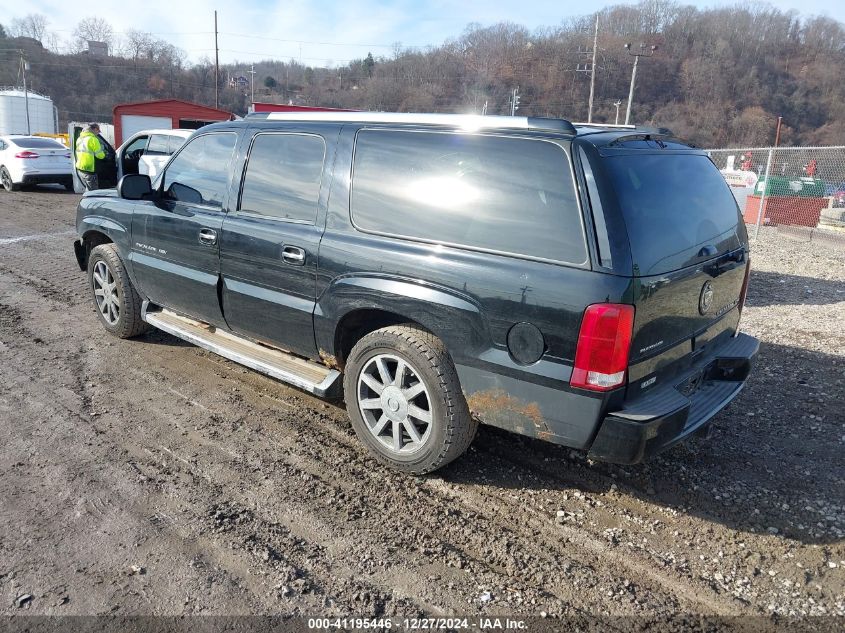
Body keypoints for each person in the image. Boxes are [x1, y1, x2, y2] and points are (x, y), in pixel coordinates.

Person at [75, 123, 107, 191]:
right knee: (93, 192)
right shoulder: (93, 139)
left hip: (81, 167)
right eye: (98, 131)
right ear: (95, 129)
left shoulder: (79, 139)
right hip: (90, 168)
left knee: (88, 189)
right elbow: (100, 156)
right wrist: (105, 154)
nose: (98, 133)